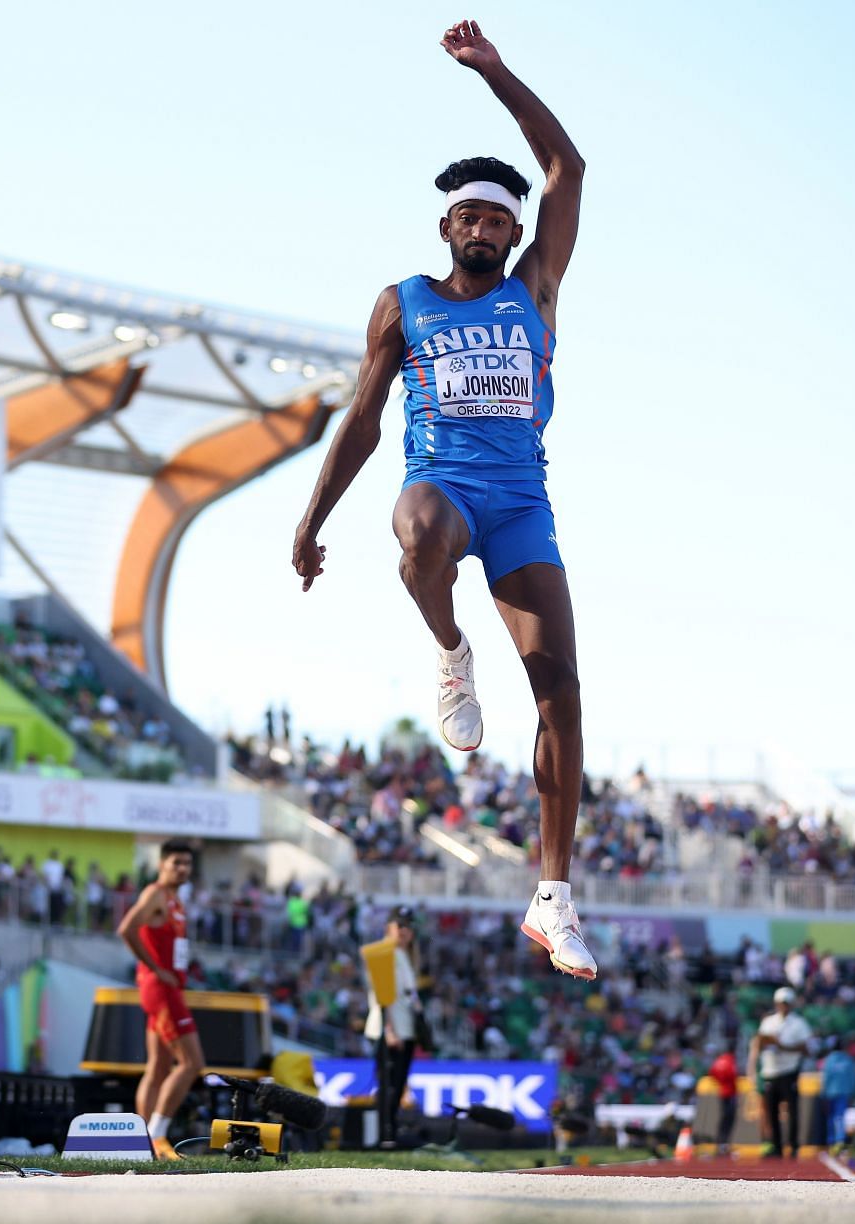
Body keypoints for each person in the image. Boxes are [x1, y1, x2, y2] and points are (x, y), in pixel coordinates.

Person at [288, 19, 594, 981]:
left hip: (520, 507)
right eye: (474, 216)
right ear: (448, 226)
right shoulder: (404, 303)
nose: (489, 229)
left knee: (563, 693)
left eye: (502, 219)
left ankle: (553, 897)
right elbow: (364, 417)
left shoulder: (536, 288)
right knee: (417, 526)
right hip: (444, 486)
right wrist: (311, 519)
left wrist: (496, 73)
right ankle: (451, 648)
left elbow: (567, 167)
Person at [115, 837, 205, 1158]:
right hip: (161, 989)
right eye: (175, 863)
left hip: (167, 987)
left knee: (158, 1067)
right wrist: (155, 968)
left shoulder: (175, 900)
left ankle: (141, 1142)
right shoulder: (155, 894)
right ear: (161, 864)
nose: (182, 869)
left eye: (187, 863)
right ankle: (157, 1134)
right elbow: (126, 929)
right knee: (193, 1062)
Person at [366, 905, 424, 1149]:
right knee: (389, 1085)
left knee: (397, 1085)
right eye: (399, 925)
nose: (404, 930)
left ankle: (389, 1131)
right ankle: (384, 1135)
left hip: (405, 1028)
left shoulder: (402, 955)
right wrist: (390, 1030)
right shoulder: (383, 952)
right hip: (389, 1029)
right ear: (387, 927)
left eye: (408, 926)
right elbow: (383, 996)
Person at [751, 986, 812, 1159]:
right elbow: (759, 1043)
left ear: (791, 1004)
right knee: (771, 1110)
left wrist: (782, 1046)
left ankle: (793, 1145)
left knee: (792, 1110)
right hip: (770, 1071)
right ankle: (775, 1145)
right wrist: (768, 1042)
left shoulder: (799, 1023)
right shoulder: (769, 1021)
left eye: (786, 1003)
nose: (783, 1006)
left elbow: (806, 1049)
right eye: (780, 1003)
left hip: (789, 1070)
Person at [820, 1037, 855, 1153]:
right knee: (840, 1116)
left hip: (830, 1093)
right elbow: (852, 1078)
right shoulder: (848, 1060)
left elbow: (826, 1079)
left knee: (831, 1117)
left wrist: (823, 1094)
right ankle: (840, 1141)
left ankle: (831, 1141)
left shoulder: (829, 1060)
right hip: (844, 1093)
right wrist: (852, 1093)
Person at [709, 1046, 740, 1154]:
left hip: (722, 1092)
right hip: (730, 1093)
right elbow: (734, 1074)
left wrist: (721, 1083)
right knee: (729, 1119)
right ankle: (724, 1143)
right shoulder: (730, 1060)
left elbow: (712, 1073)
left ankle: (721, 1142)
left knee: (723, 1118)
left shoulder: (718, 1061)